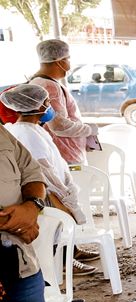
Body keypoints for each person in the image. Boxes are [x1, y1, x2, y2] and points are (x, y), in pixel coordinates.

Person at [1, 84, 87, 226]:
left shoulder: (31, 129)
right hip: (48, 197)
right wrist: (66, 201)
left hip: (52, 194)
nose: (49, 105)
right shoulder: (29, 135)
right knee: (58, 237)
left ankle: (74, 249)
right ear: (38, 106)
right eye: (47, 101)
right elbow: (46, 174)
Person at [0, 127, 49, 302]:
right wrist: (17, 222)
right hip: (18, 233)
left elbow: (32, 173)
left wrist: (32, 206)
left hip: (20, 263)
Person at [29, 40, 98, 166]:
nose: (69, 63)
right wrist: (88, 130)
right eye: (68, 58)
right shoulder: (50, 86)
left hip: (61, 154)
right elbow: (59, 126)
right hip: (65, 156)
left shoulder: (38, 82)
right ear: (60, 61)